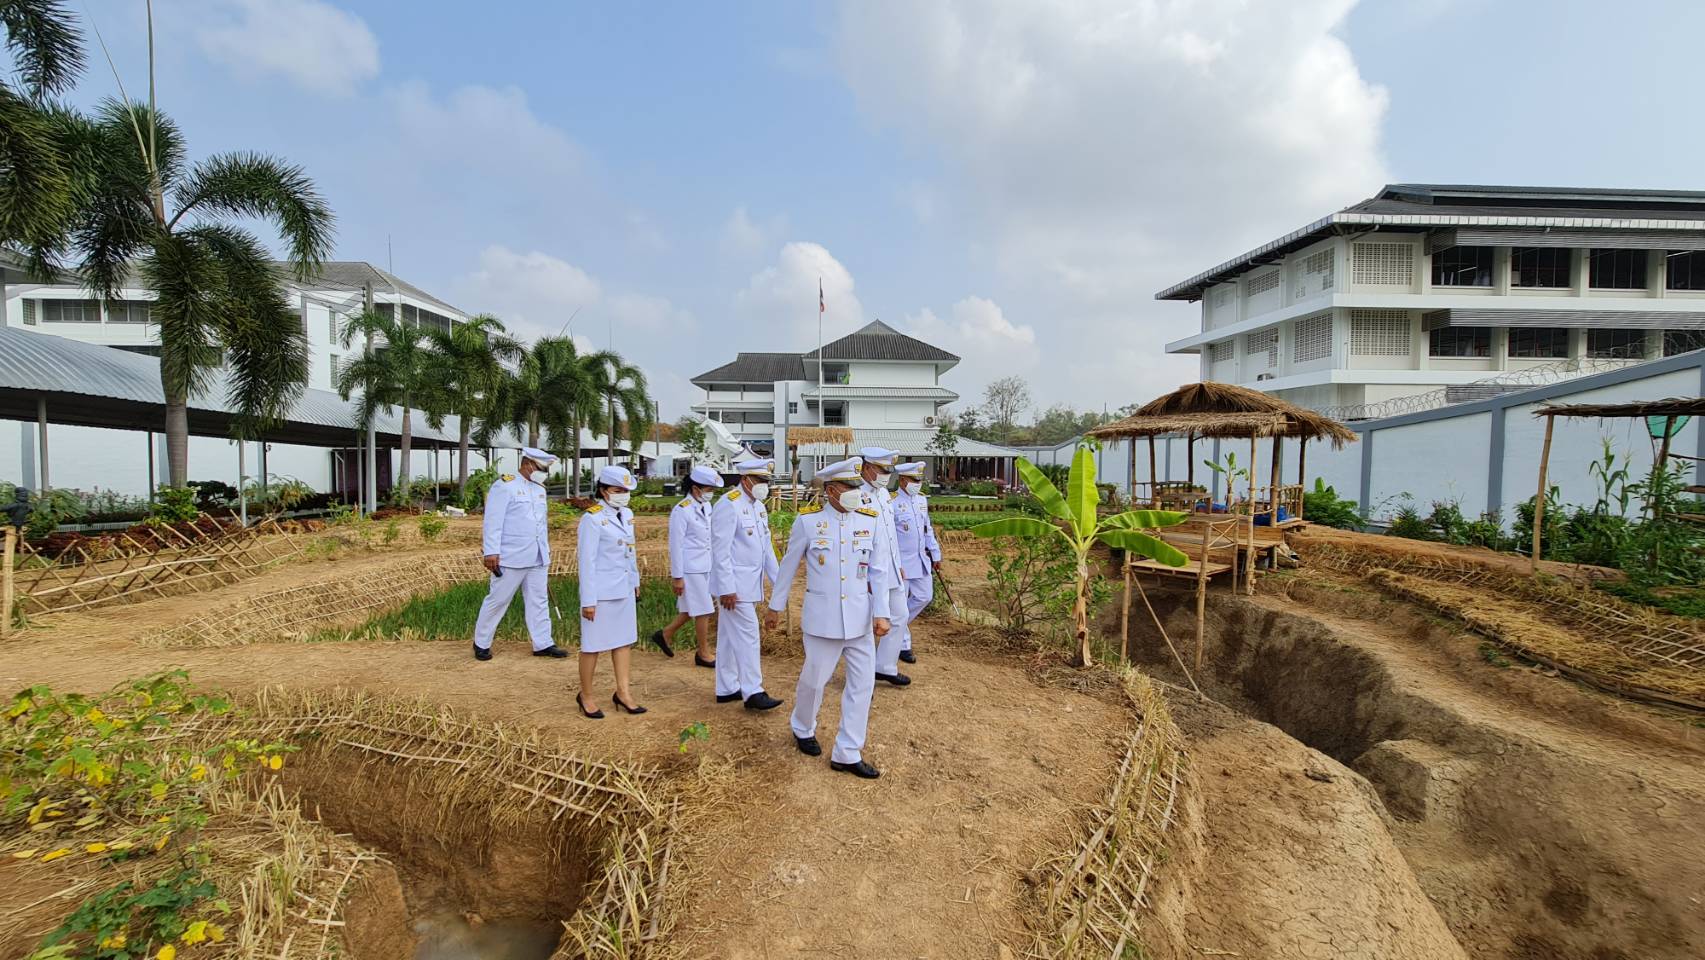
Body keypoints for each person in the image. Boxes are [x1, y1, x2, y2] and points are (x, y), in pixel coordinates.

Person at [765, 458, 892, 779]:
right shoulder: (808, 522)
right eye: (851, 488)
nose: (857, 494)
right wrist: (775, 606)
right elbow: (788, 566)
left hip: (860, 619)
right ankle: (802, 726)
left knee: (862, 686)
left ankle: (847, 752)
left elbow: (878, 570)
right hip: (822, 620)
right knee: (814, 681)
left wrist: (882, 612)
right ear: (833, 490)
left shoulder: (870, 520)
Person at [472, 448, 566, 661]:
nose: (544, 473)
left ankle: (543, 643)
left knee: (538, 600)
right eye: (542, 468)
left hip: (537, 555)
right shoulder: (504, 486)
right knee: (498, 599)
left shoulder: (539, 489)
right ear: (528, 464)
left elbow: (539, 524)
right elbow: (493, 522)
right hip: (511, 555)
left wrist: (545, 551)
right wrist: (491, 552)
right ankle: (481, 642)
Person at [710, 457, 784, 710]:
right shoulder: (728, 505)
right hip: (734, 588)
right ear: (745, 480)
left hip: (750, 585)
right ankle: (753, 691)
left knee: (729, 639)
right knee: (749, 634)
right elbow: (720, 551)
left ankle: (726, 687)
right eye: (761, 480)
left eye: (767, 480)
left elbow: (766, 550)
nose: (765, 485)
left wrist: (780, 582)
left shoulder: (758, 507)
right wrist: (726, 588)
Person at [577, 465, 645, 719]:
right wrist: (588, 601)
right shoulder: (592, 519)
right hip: (601, 593)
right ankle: (586, 695)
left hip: (624, 589)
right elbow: (587, 562)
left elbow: (631, 551)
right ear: (604, 491)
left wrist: (635, 581)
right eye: (618, 490)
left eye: (626, 490)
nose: (623, 495)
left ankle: (623, 692)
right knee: (592, 646)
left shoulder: (626, 514)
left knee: (624, 641)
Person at [652, 464, 722, 666]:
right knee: (704, 610)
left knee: (690, 609)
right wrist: (677, 576)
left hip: (706, 565)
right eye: (708, 489)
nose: (711, 494)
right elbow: (676, 545)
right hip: (690, 568)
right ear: (695, 488)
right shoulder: (681, 511)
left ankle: (665, 634)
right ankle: (703, 653)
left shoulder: (707, 506)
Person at [858, 447, 913, 687]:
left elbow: (891, 536)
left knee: (900, 615)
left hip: (890, 568)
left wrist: (898, 564)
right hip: (868, 571)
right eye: (882, 470)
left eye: (888, 470)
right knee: (867, 625)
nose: (886, 475)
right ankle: (863, 676)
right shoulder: (856, 494)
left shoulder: (883, 495)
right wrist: (863, 573)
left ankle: (885, 666)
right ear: (867, 468)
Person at [890, 462, 941, 664]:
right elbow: (889, 536)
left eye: (919, 480)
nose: (918, 484)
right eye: (914, 480)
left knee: (924, 596)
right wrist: (893, 562)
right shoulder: (891, 502)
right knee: (901, 605)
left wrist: (936, 554)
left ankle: (895, 625)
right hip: (901, 563)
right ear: (902, 481)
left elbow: (927, 529)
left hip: (920, 560)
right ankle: (903, 645)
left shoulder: (921, 501)